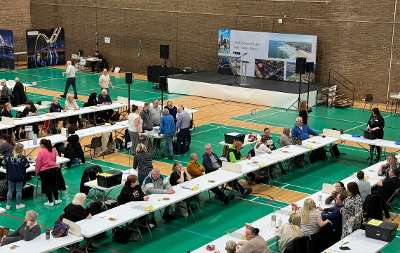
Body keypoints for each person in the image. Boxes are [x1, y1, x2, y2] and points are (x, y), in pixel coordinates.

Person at [35, 139, 62, 206]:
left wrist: (37, 172)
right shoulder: (53, 150)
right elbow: (54, 160)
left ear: (42, 145)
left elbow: (38, 163)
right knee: (54, 184)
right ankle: (57, 199)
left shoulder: (41, 152)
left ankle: (50, 201)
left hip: (44, 171)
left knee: (47, 185)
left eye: (40, 144)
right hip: (53, 169)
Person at [2, 143, 29, 210]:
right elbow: (27, 166)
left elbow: (3, 162)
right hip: (19, 176)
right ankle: (18, 204)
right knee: (19, 191)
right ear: (21, 149)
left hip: (10, 176)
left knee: (10, 190)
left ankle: (8, 205)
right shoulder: (22, 158)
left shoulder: (8, 156)